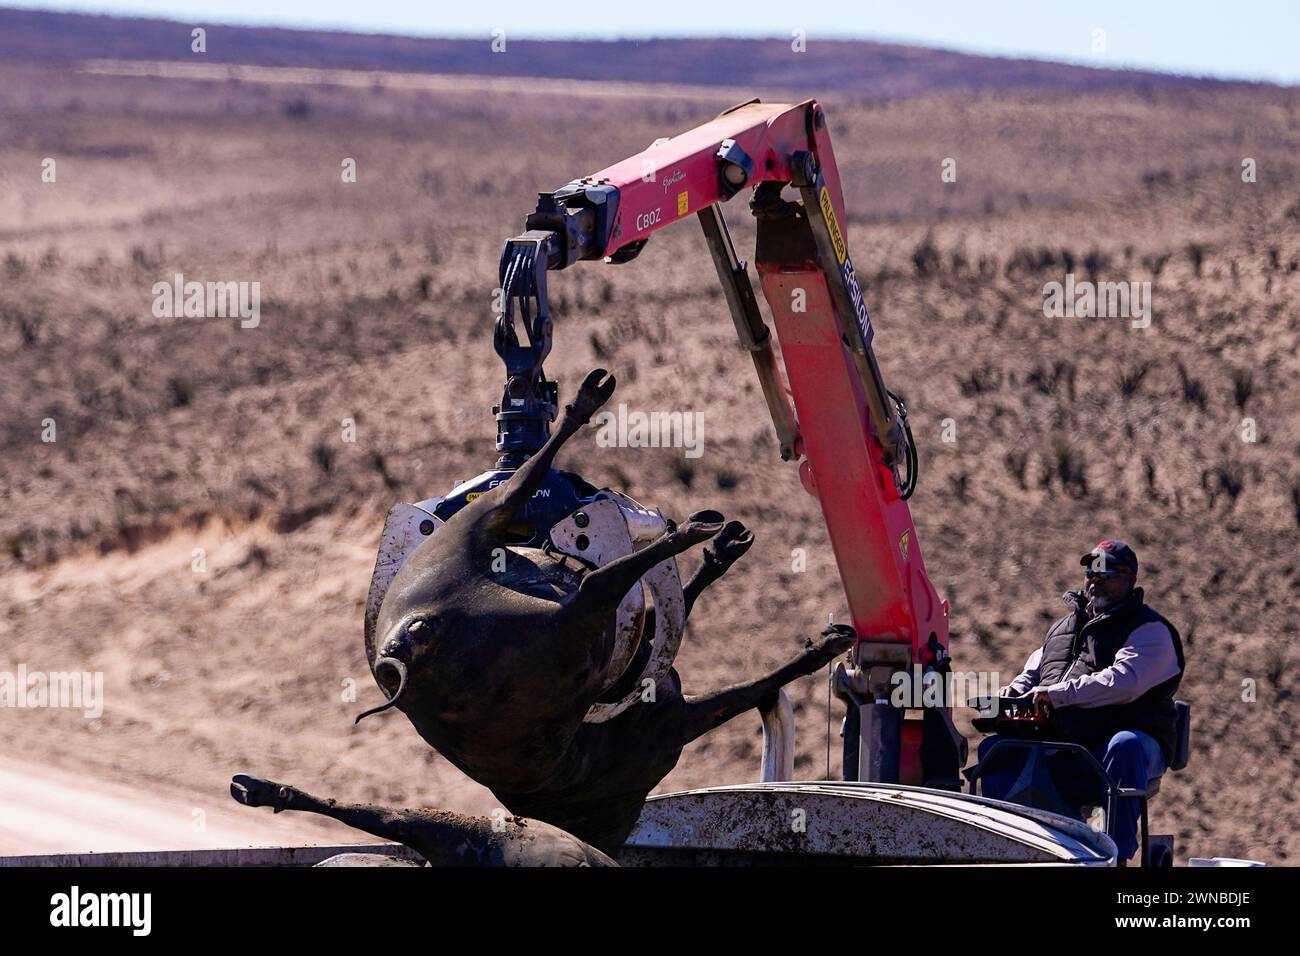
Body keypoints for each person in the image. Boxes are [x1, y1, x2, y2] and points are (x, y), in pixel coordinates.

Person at [977, 540, 1185, 864]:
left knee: (1125, 744)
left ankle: (1114, 856)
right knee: (997, 749)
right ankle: (1009, 849)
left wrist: (1057, 696)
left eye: (1108, 572)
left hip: (1122, 745)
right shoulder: (1062, 628)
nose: (1096, 579)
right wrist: (1009, 696)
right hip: (1064, 742)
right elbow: (1032, 674)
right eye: (1091, 571)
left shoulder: (1151, 631)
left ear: (1131, 580)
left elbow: (1122, 683)